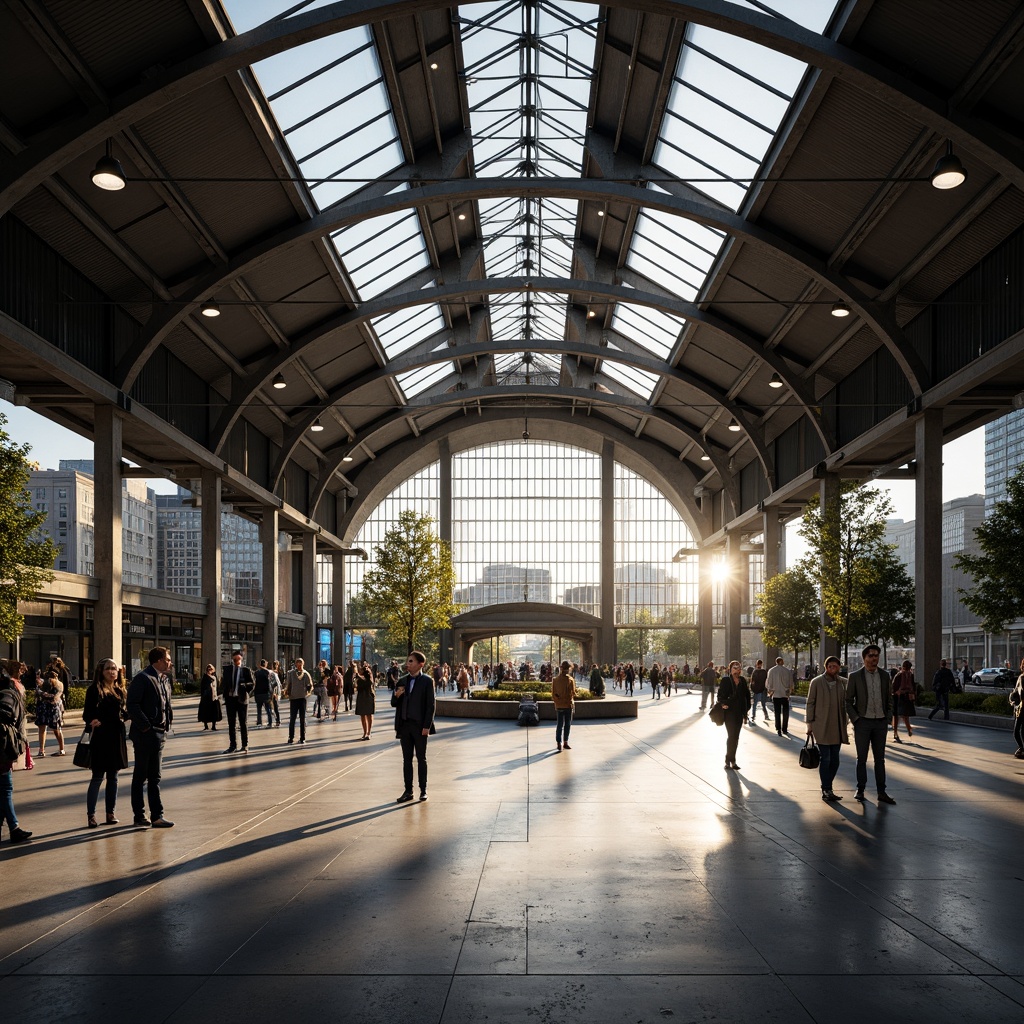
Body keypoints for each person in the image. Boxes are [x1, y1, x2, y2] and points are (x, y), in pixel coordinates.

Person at [127, 646, 175, 828]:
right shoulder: (143, 678)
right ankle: (139, 815)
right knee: (141, 776)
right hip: (145, 734)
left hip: (160, 733)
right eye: (168, 659)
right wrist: (146, 727)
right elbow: (132, 704)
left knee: (155, 777)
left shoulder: (164, 679)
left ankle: (157, 815)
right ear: (158, 661)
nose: (170, 662)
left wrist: (166, 725)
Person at [845, 643, 896, 805]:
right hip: (863, 722)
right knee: (862, 758)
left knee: (880, 759)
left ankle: (882, 792)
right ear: (864, 658)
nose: (874, 659)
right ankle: (860, 789)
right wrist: (856, 719)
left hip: (880, 722)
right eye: (871, 656)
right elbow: (847, 701)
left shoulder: (885, 675)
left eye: (876, 656)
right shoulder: (855, 676)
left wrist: (888, 717)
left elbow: (890, 699)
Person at [83, 659, 128, 828]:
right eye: (108, 669)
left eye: (114, 669)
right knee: (97, 777)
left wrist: (126, 716)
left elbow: (125, 711)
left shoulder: (120, 690)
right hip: (101, 737)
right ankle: (91, 815)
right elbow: (87, 713)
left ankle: (110, 813)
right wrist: (92, 720)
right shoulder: (94, 689)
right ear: (101, 671)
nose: (111, 672)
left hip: (116, 736)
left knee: (114, 777)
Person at [391, 651, 436, 802]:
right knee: (406, 759)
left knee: (421, 758)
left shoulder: (427, 681)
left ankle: (423, 790)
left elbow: (431, 706)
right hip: (405, 726)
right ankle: (408, 790)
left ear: (420, 664)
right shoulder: (402, 681)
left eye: (411, 661)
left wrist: (427, 726)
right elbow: (393, 703)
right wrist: (397, 695)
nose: (407, 664)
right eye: (407, 661)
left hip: (420, 726)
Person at [806, 657, 849, 802]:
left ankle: (828, 786)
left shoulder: (843, 683)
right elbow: (810, 703)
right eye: (830, 666)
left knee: (835, 760)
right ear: (825, 667)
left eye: (835, 666)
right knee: (826, 758)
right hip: (821, 725)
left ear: (839, 667)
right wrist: (809, 724)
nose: (832, 669)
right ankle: (826, 789)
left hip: (837, 726)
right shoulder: (816, 682)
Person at [1, 660, 32, 843]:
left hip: (5, 746)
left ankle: (12, 827)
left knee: (4, 788)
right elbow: (5, 712)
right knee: (5, 787)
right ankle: (14, 827)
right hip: (3, 747)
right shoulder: (9, 692)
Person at [717, 661, 750, 771]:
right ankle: (729, 760)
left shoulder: (743, 681)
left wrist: (746, 711)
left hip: (739, 713)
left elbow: (747, 696)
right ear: (730, 669)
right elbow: (720, 695)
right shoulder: (726, 680)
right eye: (735, 668)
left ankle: (733, 760)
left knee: (736, 737)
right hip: (729, 712)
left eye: (739, 667)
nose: (737, 670)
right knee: (731, 736)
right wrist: (723, 704)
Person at [220, 650, 255, 753]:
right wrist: (223, 693)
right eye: (235, 659)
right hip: (231, 699)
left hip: (242, 699)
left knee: (243, 723)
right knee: (231, 723)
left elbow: (252, 684)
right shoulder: (228, 670)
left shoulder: (246, 670)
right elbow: (223, 683)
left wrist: (245, 687)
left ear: (241, 659)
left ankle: (245, 745)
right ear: (232, 659)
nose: (236, 661)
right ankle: (232, 745)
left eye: (238, 659)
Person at [35, 670, 66, 756]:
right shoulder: (60, 684)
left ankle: (41, 750)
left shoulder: (44, 683)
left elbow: (40, 694)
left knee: (42, 728)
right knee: (57, 729)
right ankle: (61, 749)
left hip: (44, 707)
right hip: (54, 708)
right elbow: (57, 697)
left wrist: (41, 692)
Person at [284, 657, 313, 744]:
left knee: (302, 719)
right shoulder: (291, 673)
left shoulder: (305, 674)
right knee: (292, 718)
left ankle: (302, 737)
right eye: (298, 663)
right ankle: (291, 737)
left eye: (301, 664)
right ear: (296, 664)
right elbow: (288, 684)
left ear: (303, 664)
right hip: (293, 698)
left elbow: (310, 684)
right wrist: (287, 692)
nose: (299, 665)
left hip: (302, 698)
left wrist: (308, 689)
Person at [552, 659, 576, 751]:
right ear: (568, 669)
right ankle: (565, 742)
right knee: (567, 724)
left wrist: (558, 700)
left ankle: (559, 743)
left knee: (559, 724)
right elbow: (573, 692)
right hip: (568, 705)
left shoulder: (555, 680)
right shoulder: (570, 680)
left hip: (559, 705)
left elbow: (553, 694)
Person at [766, 657, 793, 735]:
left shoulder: (771, 671)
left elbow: (769, 682)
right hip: (785, 694)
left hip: (776, 694)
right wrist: (789, 691)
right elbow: (791, 683)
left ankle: (778, 728)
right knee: (785, 712)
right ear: (781, 661)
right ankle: (784, 728)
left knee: (777, 712)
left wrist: (770, 692)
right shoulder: (787, 671)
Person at [891, 659, 916, 742]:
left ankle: (895, 733)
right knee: (905, 715)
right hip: (906, 697)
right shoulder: (910, 675)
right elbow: (913, 686)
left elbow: (893, 687)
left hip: (898, 697)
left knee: (897, 716)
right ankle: (908, 729)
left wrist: (896, 692)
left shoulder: (899, 675)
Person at [355, 661, 375, 740]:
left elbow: (368, 683)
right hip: (361, 697)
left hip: (368, 696)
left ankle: (369, 732)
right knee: (362, 715)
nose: (360, 671)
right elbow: (356, 687)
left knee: (369, 714)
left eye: (361, 670)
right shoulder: (359, 679)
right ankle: (365, 732)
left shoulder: (368, 679)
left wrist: (359, 676)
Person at [197, 664, 222, 730]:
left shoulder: (214, 677)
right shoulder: (205, 677)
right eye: (208, 669)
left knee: (214, 712)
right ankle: (206, 725)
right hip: (206, 698)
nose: (209, 670)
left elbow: (217, 687)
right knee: (206, 711)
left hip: (214, 697)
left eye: (211, 669)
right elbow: (203, 688)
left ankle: (214, 726)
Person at [253, 660, 274, 728]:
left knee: (259, 709)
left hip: (258, 693)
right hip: (265, 693)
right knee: (268, 709)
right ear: (265, 665)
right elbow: (269, 684)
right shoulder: (267, 672)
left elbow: (254, 683)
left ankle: (259, 722)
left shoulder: (256, 673)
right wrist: (270, 693)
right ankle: (270, 722)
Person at [1010, 660, 1024, 759]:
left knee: (1017, 731)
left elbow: (1016, 692)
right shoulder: (1021, 678)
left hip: (1022, 709)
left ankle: (1022, 748)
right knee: (1022, 731)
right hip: (1022, 707)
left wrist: (1012, 701)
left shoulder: (1022, 678)